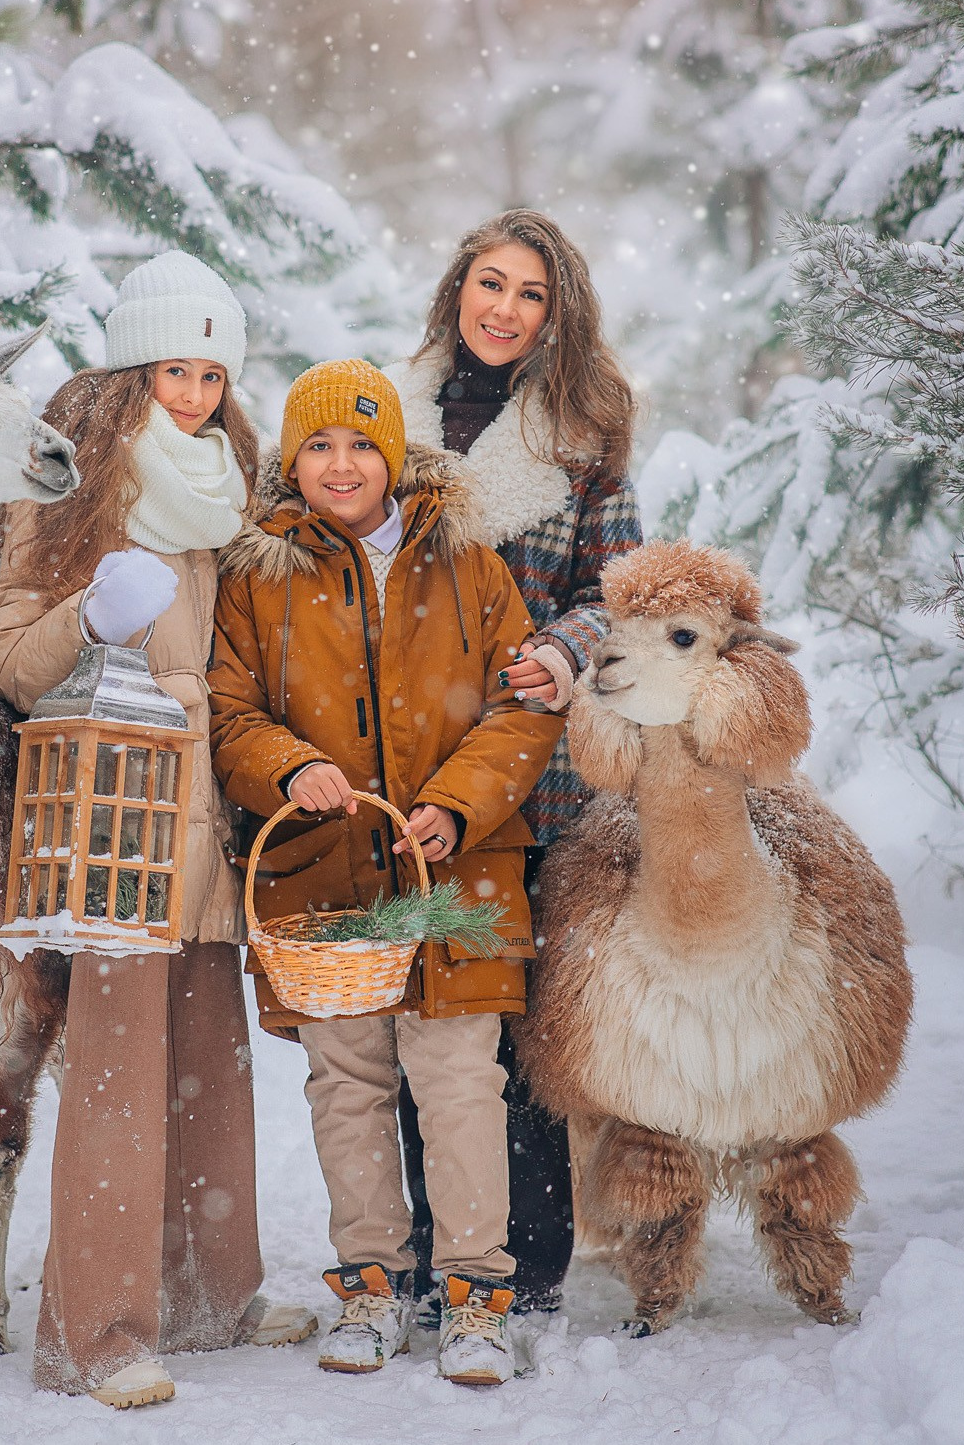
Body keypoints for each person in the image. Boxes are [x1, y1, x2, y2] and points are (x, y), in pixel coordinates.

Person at [0, 251, 316, 1410]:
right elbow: (15, 660)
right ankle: (100, 1331)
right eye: (175, 368)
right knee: (120, 1079)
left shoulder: (234, 491)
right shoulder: (71, 485)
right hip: (114, 818)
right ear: (133, 369)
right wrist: (91, 614)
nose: (193, 394)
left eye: (213, 374)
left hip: (210, 823)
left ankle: (214, 1295)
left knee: (208, 1073)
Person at [207, 359, 565, 1386]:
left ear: (397, 455)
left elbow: (523, 706)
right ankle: (370, 1285)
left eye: (362, 442)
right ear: (291, 461)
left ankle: (474, 1296)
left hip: (457, 876)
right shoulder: (259, 573)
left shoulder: (468, 565)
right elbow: (230, 713)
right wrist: (290, 765)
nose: (341, 463)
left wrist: (455, 803)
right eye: (318, 444)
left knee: (460, 1084)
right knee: (348, 1085)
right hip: (326, 880)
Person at [383, 209, 643, 1316]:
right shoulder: (384, 418)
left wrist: (564, 649)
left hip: (536, 778)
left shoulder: (583, 436)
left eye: (530, 293)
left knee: (513, 1020)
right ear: (457, 291)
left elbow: (617, 594)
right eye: (490, 283)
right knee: (416, 1016)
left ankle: (523, 1264)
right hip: (403, 758)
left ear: (557, 313)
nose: (505, 308)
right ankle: (434, 1246)